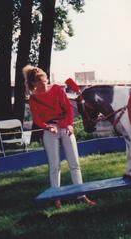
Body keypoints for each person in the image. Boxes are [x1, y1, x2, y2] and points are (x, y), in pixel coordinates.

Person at [23, 65, 96, 208]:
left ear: (47, 78)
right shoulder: (33, 99)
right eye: (38, 82)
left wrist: (69, 125)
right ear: (33, 84)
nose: (43, 84)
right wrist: (47, 126)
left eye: (44, 80)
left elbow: (68, 109)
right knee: (54, 166)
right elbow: (37, 119)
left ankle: (81, 195)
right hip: (50, 130)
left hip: (65, 127)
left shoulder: (57, 89)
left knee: (75, 164)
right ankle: (57, 197)